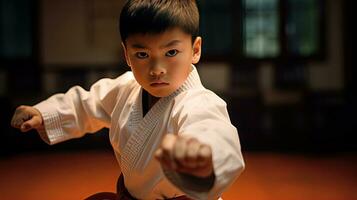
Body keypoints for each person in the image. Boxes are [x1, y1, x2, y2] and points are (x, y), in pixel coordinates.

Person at [11, 0, 245, 199]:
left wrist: (203, 159)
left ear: (195, 50)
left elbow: (212, 131)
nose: (157, 69)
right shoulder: (126, 88)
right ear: (126, 54)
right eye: (142, 54)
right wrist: (45, 113)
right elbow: (88, 103)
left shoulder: (198, 102)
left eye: (171, 52)